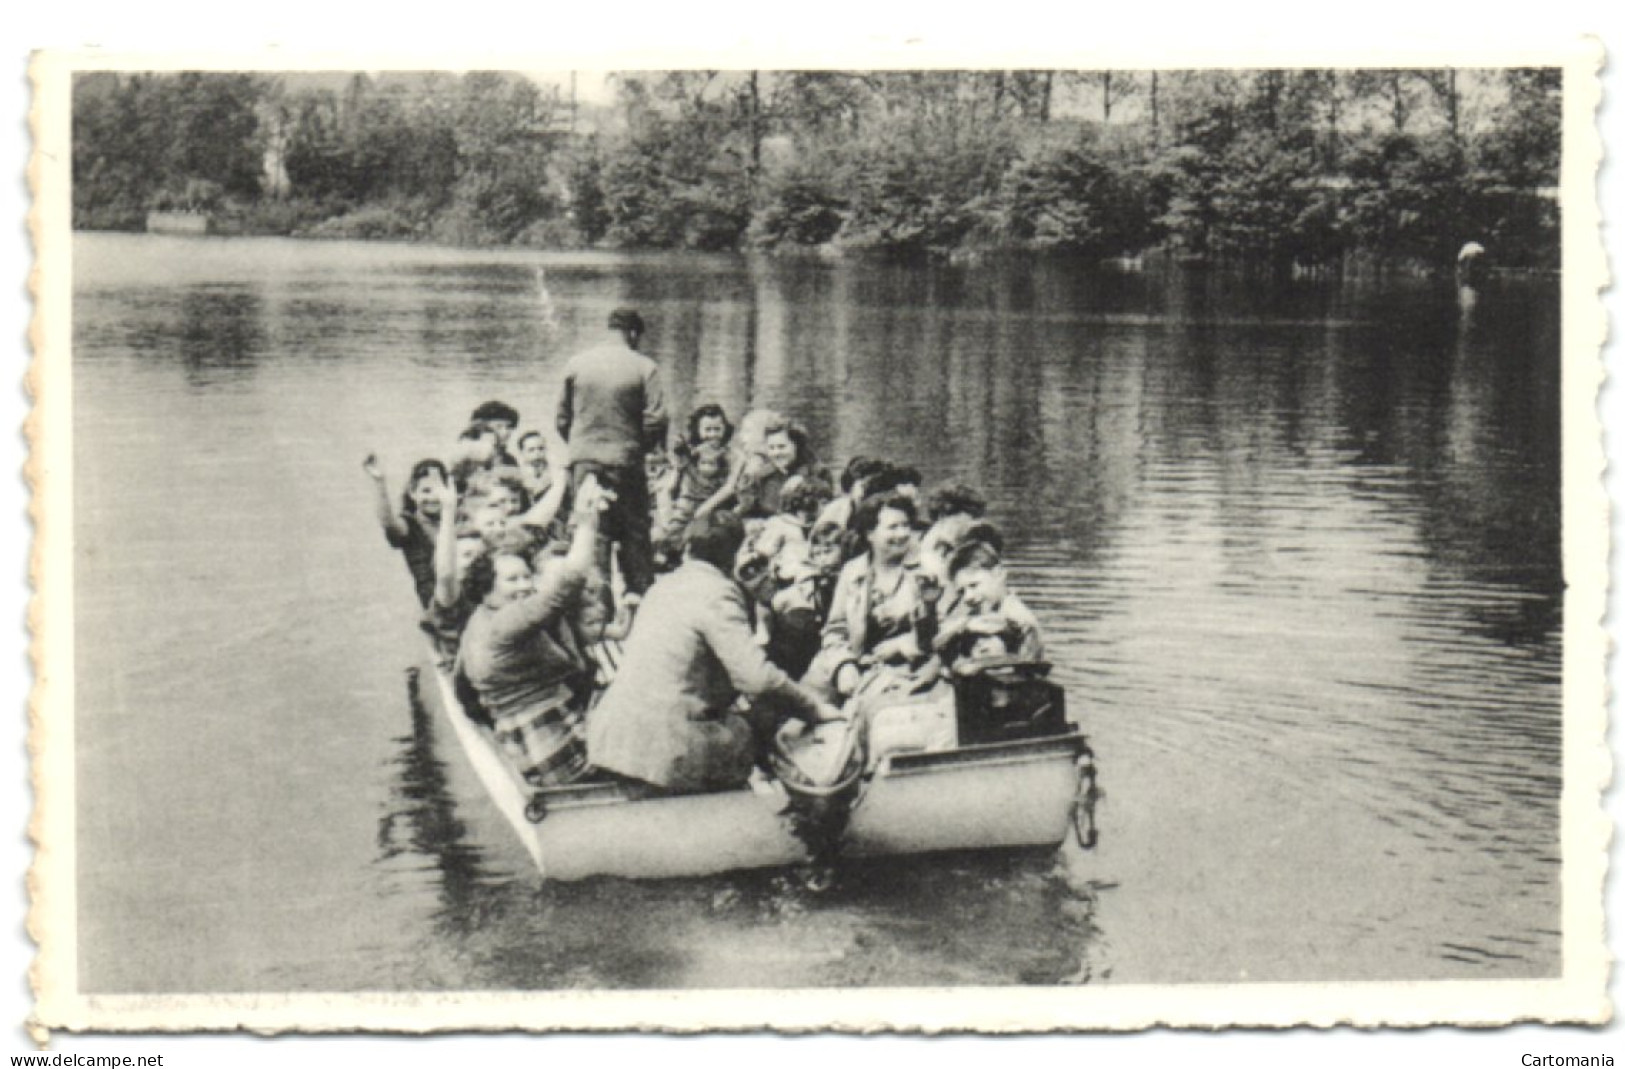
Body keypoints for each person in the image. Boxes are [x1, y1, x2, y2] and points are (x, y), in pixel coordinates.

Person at [586, 510, 838, 795]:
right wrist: (813, 708)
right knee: (749, 729)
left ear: (688, 548)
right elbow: (757, 679)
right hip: (667, 744)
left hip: (614, 736)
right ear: (733, 554)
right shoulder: (718, 592)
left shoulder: (662, 586)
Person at [455, 476, 612, 789]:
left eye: (527, 577)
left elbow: (463, 691)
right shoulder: (506, 621)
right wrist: (587, 520)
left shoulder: (479, 620)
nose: (525, 586)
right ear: (486, 588)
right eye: (513, 580)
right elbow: (569, 582)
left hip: (524, 747)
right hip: (554, 753)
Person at [555, 308, 669, 614]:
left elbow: (562, 418)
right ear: (633, 334)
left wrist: (582, 446)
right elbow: (656, 420)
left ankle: (597, 608)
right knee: (634, 531)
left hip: (584, 460)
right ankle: (641, 601)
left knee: (594, 531)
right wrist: (634, 447)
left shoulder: (576, 363)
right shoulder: (644, 366)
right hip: (625, 460)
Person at [809, 491, 937, 702]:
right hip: (857, 666)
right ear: (870, 533)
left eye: (906, 526)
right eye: (893, 527)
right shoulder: (853, 571)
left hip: (911, 668)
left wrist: (903, 645)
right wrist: (844, 665)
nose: (903, 534)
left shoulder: (929, 568)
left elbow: (946, 626)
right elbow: (835, 630)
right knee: (796, 726)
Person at [932, 537, 1044, 669]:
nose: (968, 597)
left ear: (999, 574)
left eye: (974, 585)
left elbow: (1029, 661)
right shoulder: (978, 610)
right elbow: (936, 643)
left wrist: (978, 664)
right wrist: (964, 626)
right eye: (962, 591)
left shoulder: (1020, 618)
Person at [365, 454, 448, 608]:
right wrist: (379, 482)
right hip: (435, 603)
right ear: (412, 493)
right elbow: (389, 523)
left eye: (439, 490)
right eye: (426, 491)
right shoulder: (410, 525)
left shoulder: (455, 519)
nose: (433, 497)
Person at [470, 400, 522, 467]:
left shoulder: (509, 461)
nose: (506, 432)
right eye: (499, 427)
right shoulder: (470, 459)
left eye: (508, 427)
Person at [516, 431, 552, 499]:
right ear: (522, 453)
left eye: (541, 448)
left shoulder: (555, 473)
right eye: (531, 450)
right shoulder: (518, 476)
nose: (537, 453)